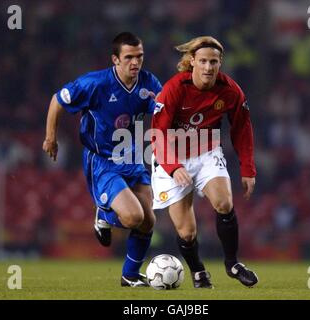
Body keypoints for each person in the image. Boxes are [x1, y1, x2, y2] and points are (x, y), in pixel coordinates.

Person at [43, 32, 162, 287]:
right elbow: (58, 99)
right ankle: (105, 215)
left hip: (132, 158)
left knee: (149, 220)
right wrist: (50, 137)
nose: (135, 62)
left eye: (139, 56)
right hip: (103, 161)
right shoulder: (94, 83)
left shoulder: (149, 83)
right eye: (128, 57)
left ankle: (129, 276)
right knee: (133, 218)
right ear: (115, 60)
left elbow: (164, 113)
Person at [151, 36, 258, 288]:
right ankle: (198, 270)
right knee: (187, 232)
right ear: (191, 62)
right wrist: (173, 167)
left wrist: (248, 168)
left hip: (206, 151)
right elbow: (157, 134)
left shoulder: (230, 90)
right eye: (203, 61)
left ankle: (232, 264)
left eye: (214, 62)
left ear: (220, 63)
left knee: (224, 202)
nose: (208, 67)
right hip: (171, 157)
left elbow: (242, 128)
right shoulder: (174, 88)